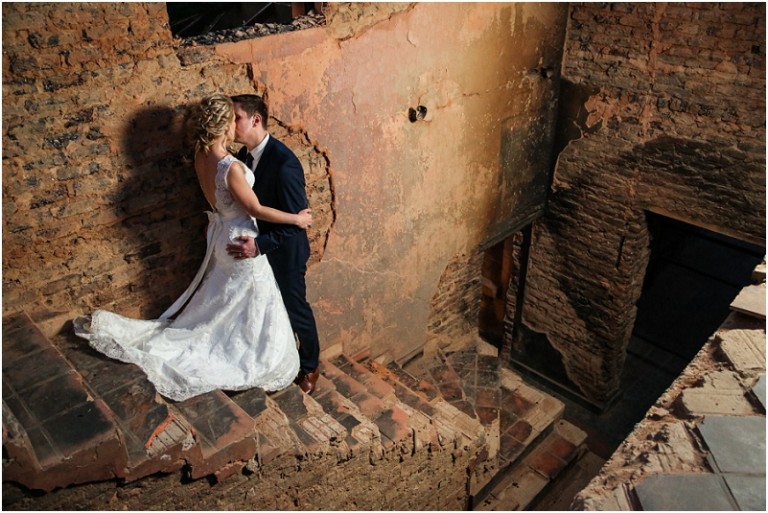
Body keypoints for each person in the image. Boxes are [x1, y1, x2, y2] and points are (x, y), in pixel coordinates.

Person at [73, 94, 311, 402]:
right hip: (241, 241)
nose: (235, 126)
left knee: (229, 302)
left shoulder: (201, 156)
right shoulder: (230, 166)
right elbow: (255, 208)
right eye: (232, 120)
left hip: (221, 235)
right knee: (249, 301)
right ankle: (244, 355)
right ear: (223, 124)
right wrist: (297, 219)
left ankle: (232, 344)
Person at [227, 94, 321, 394]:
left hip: (286, 253)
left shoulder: (284, 164)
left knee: (295, 309)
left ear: (255, 119)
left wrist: (259, 245)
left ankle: (311, 366)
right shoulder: (244, 156)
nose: (231, 124)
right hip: (260, 248)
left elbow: (296, 224)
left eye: (236, 118)